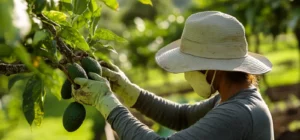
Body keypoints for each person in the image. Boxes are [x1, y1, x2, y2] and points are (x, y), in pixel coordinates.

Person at [72, 11, 274, 140]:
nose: (187, 74)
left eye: (191, 66)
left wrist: (107, 103)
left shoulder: (238, 113)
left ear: (214, 68)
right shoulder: (232, 99)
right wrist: (127, 89)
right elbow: (182, 117)